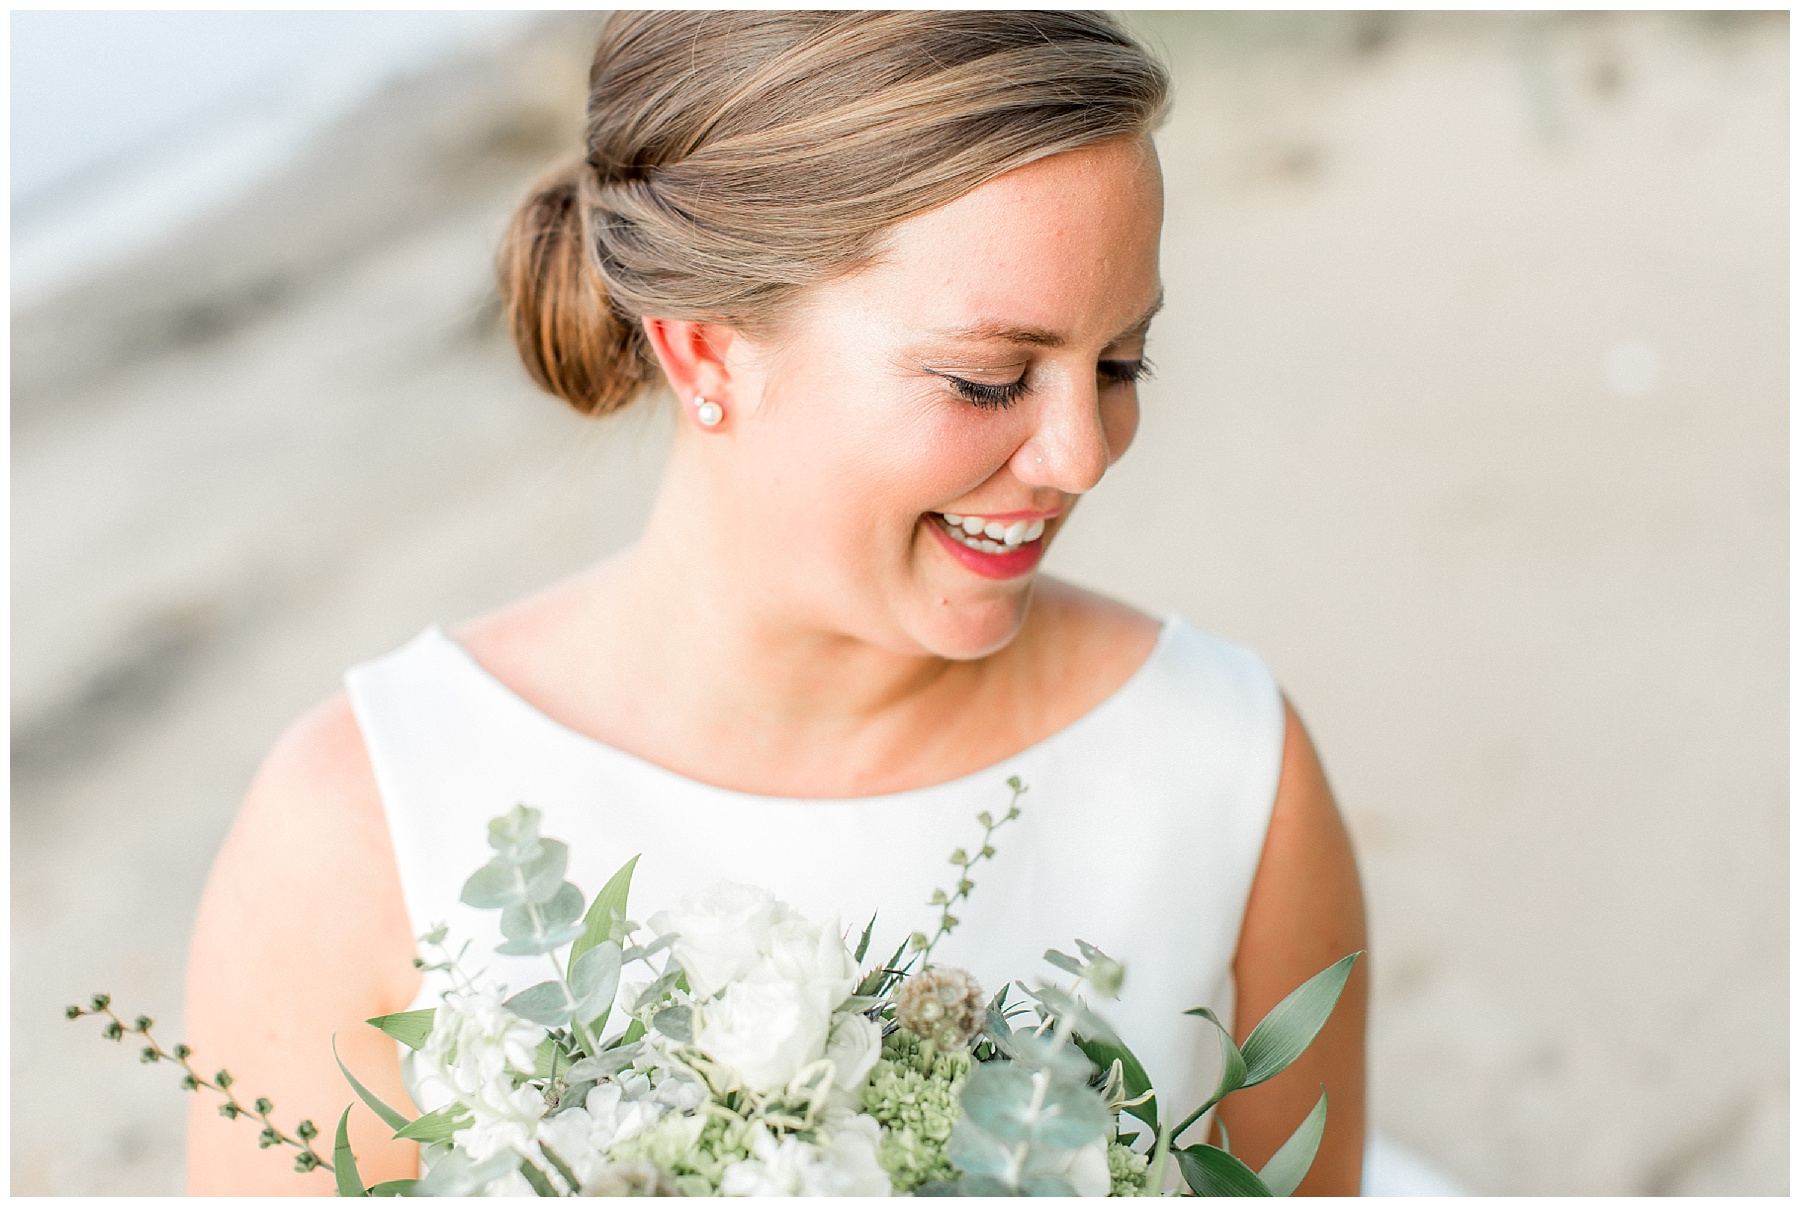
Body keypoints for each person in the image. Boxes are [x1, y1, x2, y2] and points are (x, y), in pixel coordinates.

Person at [184, 11, 1366, 1195]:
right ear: (704, 350)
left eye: (1120, 364)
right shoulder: (362, 823)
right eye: (987, 378)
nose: (1080, 455)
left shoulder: (1230, 768)